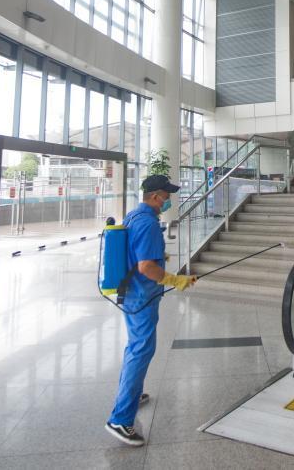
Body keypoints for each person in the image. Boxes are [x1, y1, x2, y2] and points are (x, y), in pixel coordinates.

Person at [105, 174, 196, 446]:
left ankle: (133, 394)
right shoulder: (146, 222)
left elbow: (140, 256)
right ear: (155, 196)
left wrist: (160, 258)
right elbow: (146, 267)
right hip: (141, 296)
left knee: (135, 347)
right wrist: (175, 279)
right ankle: (120, 419)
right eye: (166, 195)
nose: (169, 200)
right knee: (141, 349)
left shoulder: (134, 215)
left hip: (132, 291)